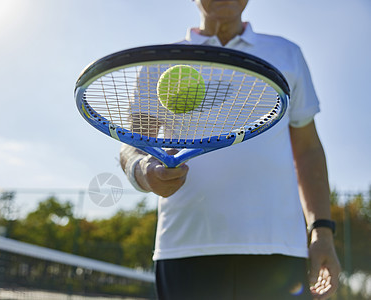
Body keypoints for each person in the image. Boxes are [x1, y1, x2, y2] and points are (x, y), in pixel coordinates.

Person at [120, 0, 341, 299]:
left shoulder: (287, 53)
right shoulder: (157, 62)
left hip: (280, 253)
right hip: (185, 250)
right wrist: (144, 171)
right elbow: (134, 147)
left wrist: (322, 232)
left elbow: (308, 151)